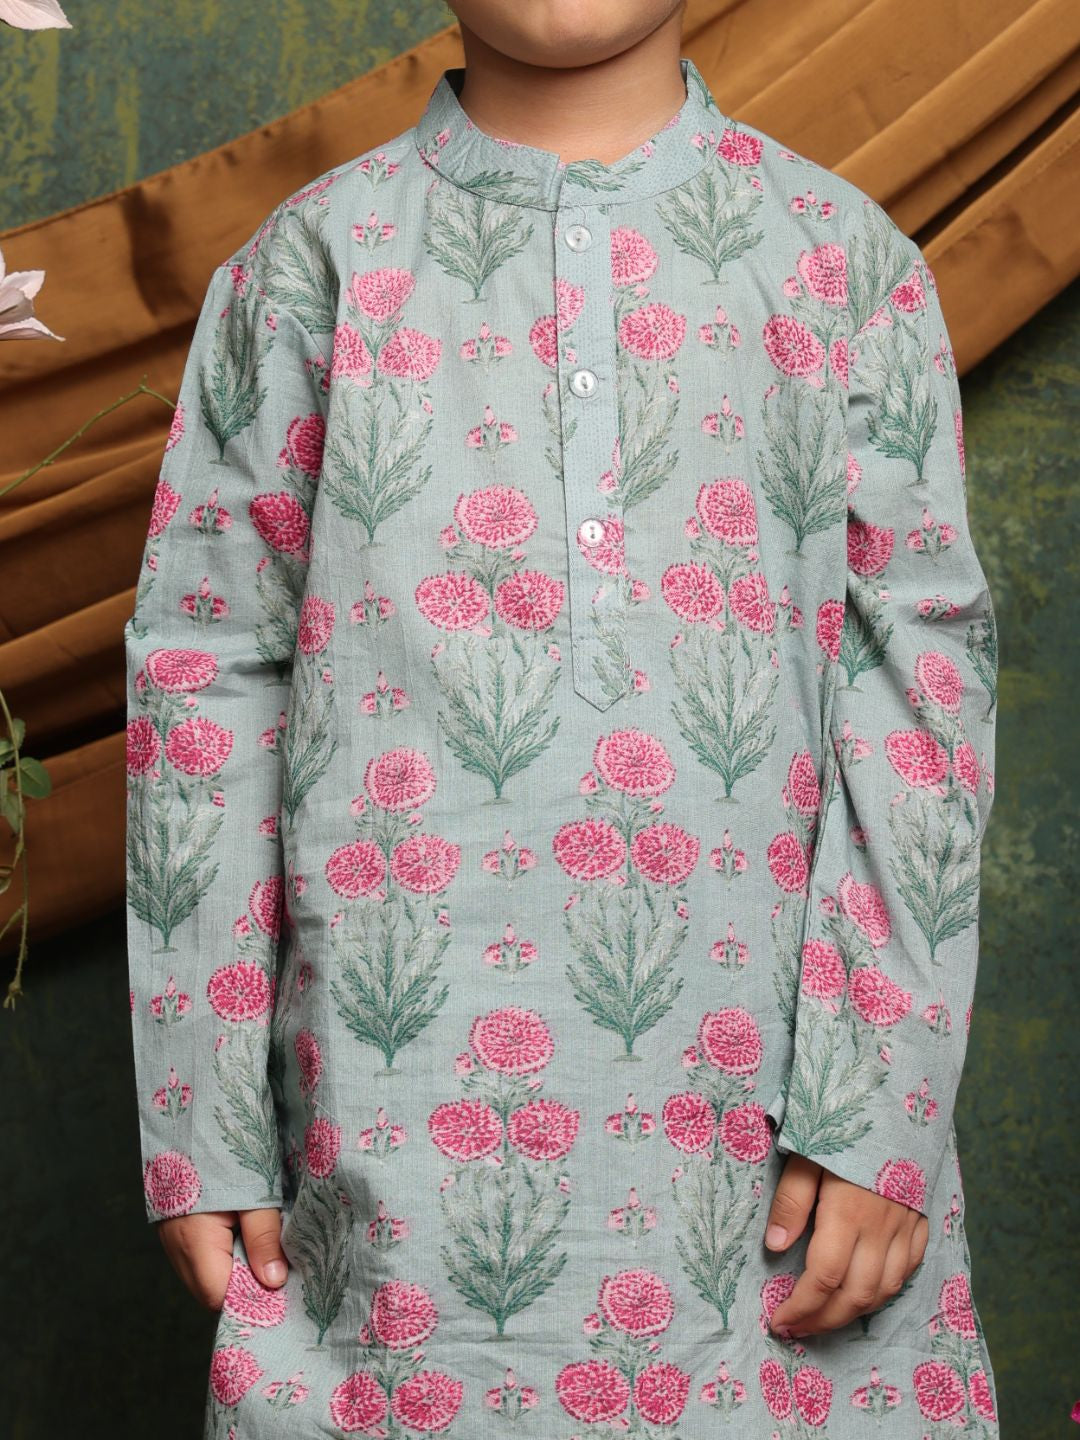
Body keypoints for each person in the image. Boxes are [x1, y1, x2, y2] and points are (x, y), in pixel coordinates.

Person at [124, 2, 1001, 1434]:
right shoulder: (304, 272)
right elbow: (203, 681)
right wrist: (201, 1121)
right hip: (383, 1178)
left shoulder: (845, 265)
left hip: (775, 1180)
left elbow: (925, 693)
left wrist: (884, 1111)